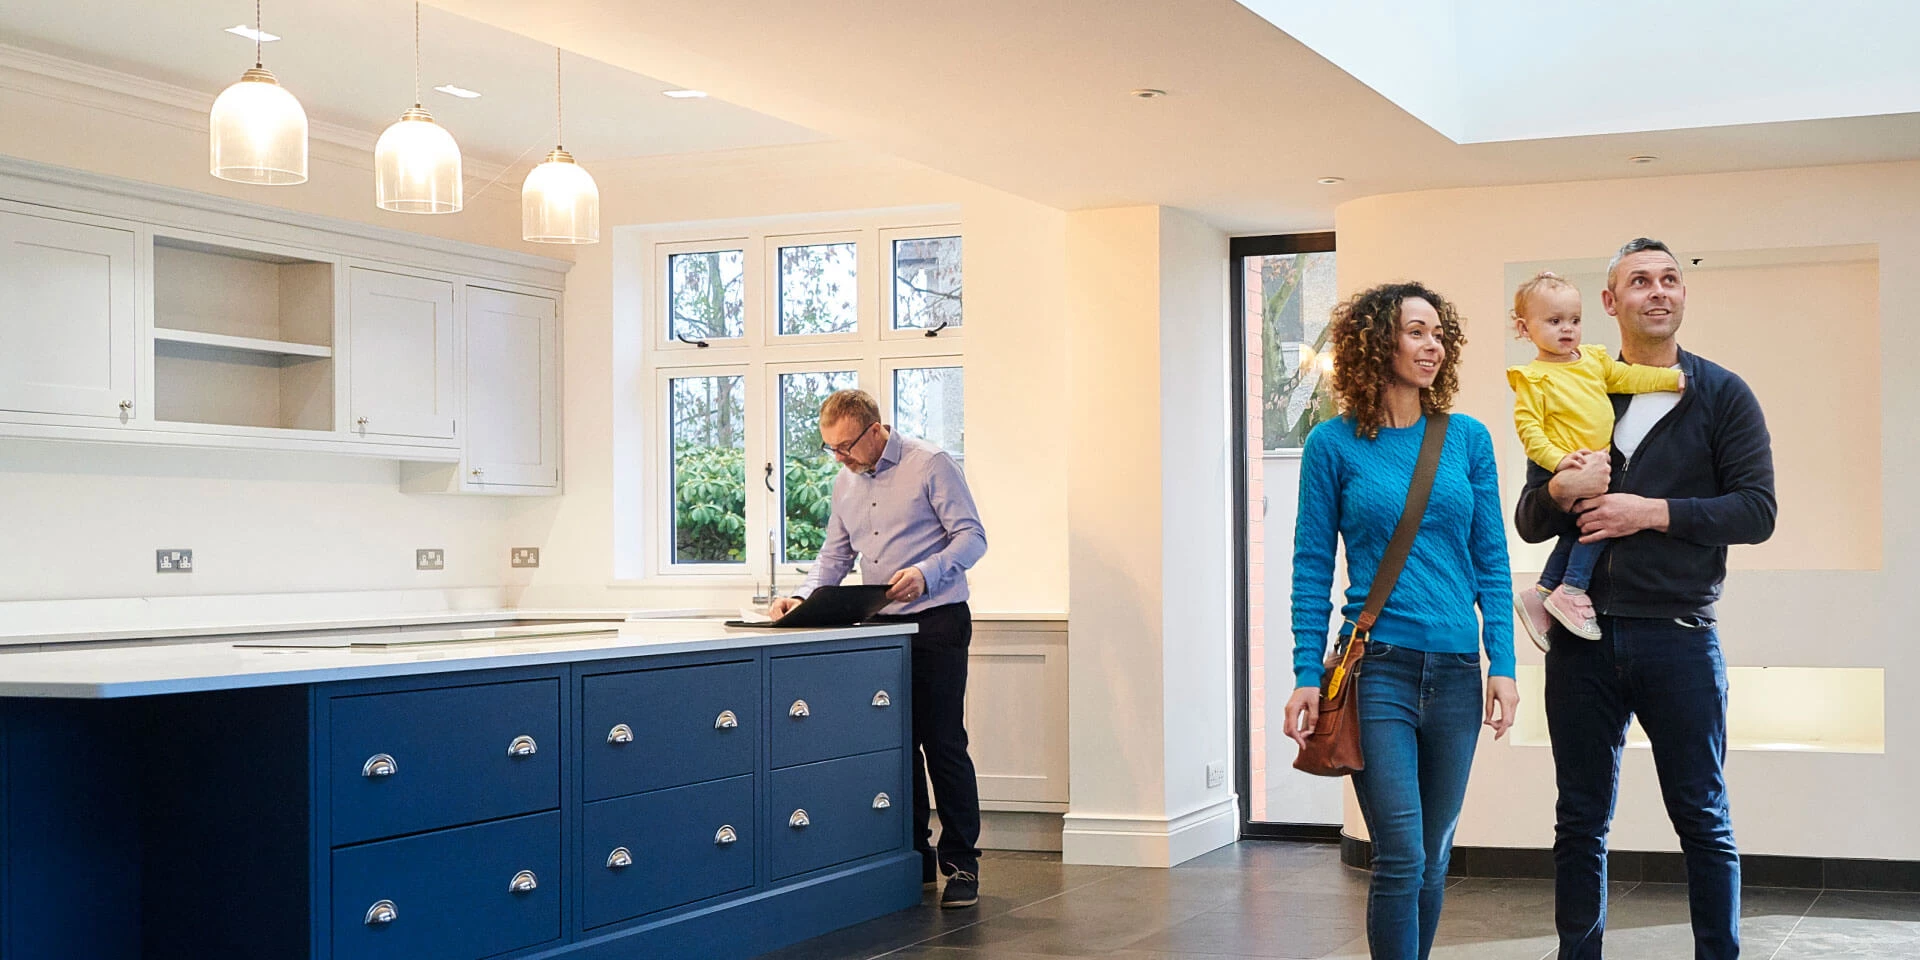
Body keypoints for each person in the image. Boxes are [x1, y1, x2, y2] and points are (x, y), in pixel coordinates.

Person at [1514, 239, 1775, 960]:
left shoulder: (1720, 393)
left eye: (1669, 279)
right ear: (1609, 302)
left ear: (1682, 297)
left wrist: (1648, 511)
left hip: (1680, 638)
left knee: (1703, 819)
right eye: (1638, 281)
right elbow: (1532, 517)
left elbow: (1757, 510)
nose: (1658, 291)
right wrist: (1561, 489)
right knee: (1580, 823)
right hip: (1581, 642)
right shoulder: (1578, 385)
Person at [1284, 282, 1520, 960]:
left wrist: (1500, 662)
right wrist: (1307, 672)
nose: (1433, 345)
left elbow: (1492, 562)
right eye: (1416, 331)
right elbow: (1309, 566)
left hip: (1455, 673)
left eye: (1438, 333)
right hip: (1378, 669)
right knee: (1401, 851)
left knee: (1434, 854)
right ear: (1376, 342)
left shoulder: (1467, 439)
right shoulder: (1333, 445)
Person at [771, 388, 989, 908]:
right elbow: (835, 556)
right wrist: (800, 598)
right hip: (881, 631)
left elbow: (972, 538)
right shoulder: (844, 483)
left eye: (846, 446)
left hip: (937, 619)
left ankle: (960, 865)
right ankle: (910, 859)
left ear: (875, 430)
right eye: (831, 449)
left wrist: (926, 572)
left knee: (942, 743)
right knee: (896, 748)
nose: (840, 458)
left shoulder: (930, 464)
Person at [1507, 270, 1684, 650]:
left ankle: (1542, 592)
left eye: (1574, 320)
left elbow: (1629, 377)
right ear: (1525, 328)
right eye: (1554, 322)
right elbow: (1529, 432)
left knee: (1579, 529)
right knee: (1597, 524)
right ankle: (1570, 589)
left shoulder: (1592, 360)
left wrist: (1671, 380)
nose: (1567, 329)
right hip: (1565, 463)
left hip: (1594, 461)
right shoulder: (1533, 378)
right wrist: (1560, 462)